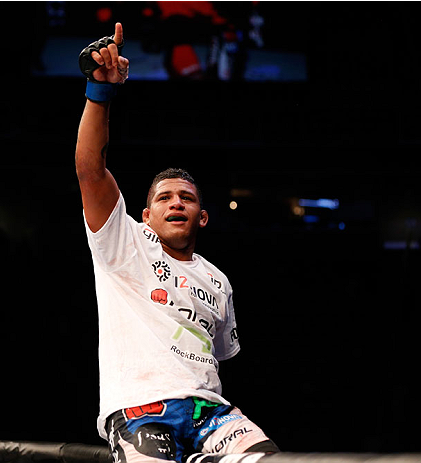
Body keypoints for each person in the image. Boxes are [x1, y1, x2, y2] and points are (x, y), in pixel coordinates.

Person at [75, 23, 279, 461]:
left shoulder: (218, 281)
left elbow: (220, 354)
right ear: (145, 216)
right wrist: (99, 90)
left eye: (186, 198)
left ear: (201, 217)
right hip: (140, 408)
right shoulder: (123, 244)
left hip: (210, 412)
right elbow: (91, 170)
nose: (176, 204)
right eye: (164, 198)